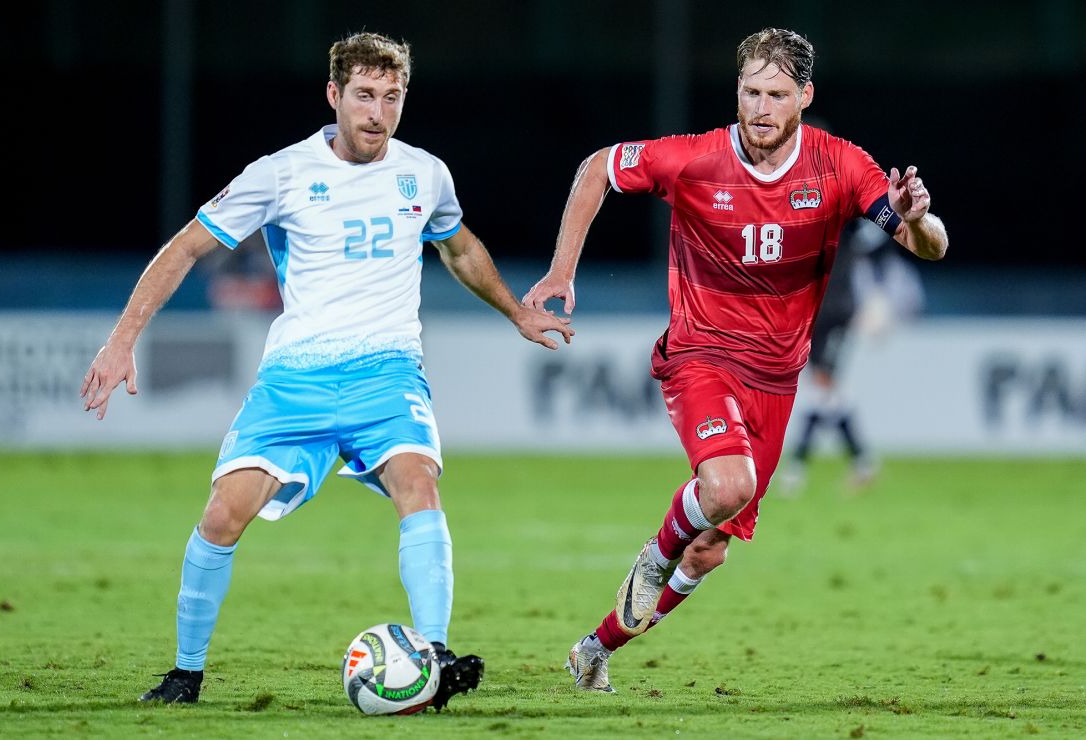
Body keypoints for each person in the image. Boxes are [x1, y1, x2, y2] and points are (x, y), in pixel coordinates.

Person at [80, 32, 572, 709]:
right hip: (296, 378)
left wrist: (516, 312)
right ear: (334, 95)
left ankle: (434, 658)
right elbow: (187, 246)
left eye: (391, 98)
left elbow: (458, 249)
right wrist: (121, 339)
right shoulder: (280, 173)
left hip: (387, 371)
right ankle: (185, 675)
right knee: (223, 514)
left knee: (419, 484)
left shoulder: (424, 174)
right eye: (364, 96)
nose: (377, 113)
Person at [523, 27, 947, 693]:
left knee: (711, 547)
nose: (761, 107)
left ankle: (596, 648)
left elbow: (930, 245)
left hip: (777, 380)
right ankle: (655, 556)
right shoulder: (694, 160)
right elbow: (598, 167)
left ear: (804, 96)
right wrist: (561, 270)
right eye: (751, 91)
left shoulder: (840, 166)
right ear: (738, 92)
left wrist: (916, 218)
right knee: (723, 489)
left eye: (777, 94)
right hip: (702, 355)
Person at [780, 218, 899, 492]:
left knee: (822, 387)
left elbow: (880, 237)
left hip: (835, 315)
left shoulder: (846, 225)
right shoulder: (807, 225)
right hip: (813, 316)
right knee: (827, 394)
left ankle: (797, 467)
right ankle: (862, 461)